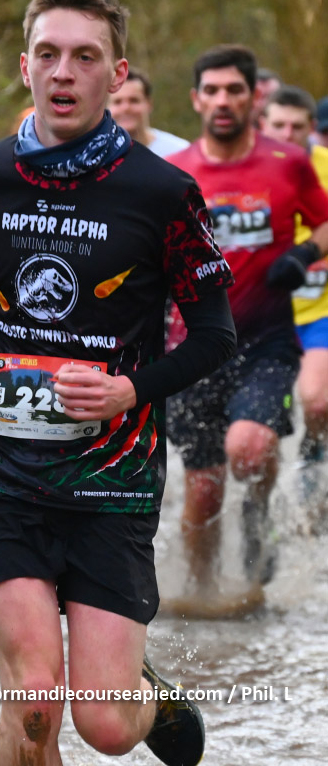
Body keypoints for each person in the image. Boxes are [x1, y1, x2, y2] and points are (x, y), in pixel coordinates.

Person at [0, 0, 237, 765]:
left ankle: (142, 696)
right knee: (33, 704)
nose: (64, 71)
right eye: (48, 54)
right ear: (25, 66)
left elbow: (216, 337)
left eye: (85, 57)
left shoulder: (163, 192)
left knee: (106, 727)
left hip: (110, 480)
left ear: (116, 74)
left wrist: (128, 390)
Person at [166, 45, 328, 593]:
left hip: (266, 340)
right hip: (190, 346)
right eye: (211, 91)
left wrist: (304, 254)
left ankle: (259, 509)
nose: (222, 101)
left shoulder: (288, 162)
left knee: (249, 449)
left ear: (254, 97)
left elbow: (325, 221)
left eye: (234, 90)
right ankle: (203, 598)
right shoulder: (175, 172)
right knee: (204, 487)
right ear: (195, 99)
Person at [260, 85, 328, 472]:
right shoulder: (247, 167)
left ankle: (313, 452)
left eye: (297, 127)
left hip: (320, 310)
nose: (287, 135)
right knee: (252, 429)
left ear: (312, 127)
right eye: (278, 125)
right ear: (262, 125)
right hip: (263, 315)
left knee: (316, 401)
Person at [108, 67, 189, 157]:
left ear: (149, 104)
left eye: (134, 100)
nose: (126, 108)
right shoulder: (97, 155)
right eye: (118, 102)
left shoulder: (180, 152)